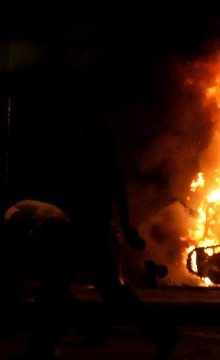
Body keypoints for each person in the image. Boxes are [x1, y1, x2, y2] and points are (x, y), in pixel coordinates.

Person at [67, 108, 179, 360]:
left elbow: (116, 181)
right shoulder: (86, 134)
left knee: (108, 287)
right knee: (105, 286)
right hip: (86, 220)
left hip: (91, 223)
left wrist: (127, 226)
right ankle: (102, 330)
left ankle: (161, 333)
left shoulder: (97, 137)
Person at [0, 199, 79, 359]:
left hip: (54, 224)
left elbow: (28, 233)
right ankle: (66, 319)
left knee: (51, 283)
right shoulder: (27, 212)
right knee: (56, 282)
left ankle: (45, 333)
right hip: (61, 223)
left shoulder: (12, 214)